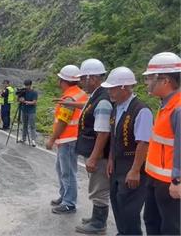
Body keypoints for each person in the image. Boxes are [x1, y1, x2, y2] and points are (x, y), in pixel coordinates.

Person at [102, 66, 153, 235]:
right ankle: (122, 233)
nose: (109, 92)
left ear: (124, 87)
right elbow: (114, 136)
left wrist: (135, 170)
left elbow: (143, 143)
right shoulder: (117, 107)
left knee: (130, 209)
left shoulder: (141, 110)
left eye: (112, 88)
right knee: (117, 203)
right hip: (118, 165)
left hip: (132, 166)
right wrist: (110, 159)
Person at [70, 59, 112, 234]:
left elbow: (103, 133)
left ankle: (99, 223)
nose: (81, 82)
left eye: (83, 79)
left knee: (99, 187)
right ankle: (96, 217)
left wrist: (94, 157)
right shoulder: (98, 95)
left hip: (99, 154)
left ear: (92, 78)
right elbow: (88, 107)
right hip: (95, 151)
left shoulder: (102, 100)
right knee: (96, 185)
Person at [142, 52, 181, 235]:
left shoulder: (178, 108)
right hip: (155, 178)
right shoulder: (166, 104)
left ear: (165, 80)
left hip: (169, 182)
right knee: (151, 220)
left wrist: (178, 181)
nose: (147, 83)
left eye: (150, 78)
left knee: (170, 227)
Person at [46, 64, 88, 214]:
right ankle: (64, 195)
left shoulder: (70, 98)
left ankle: (69, 202)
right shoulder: (79, 93)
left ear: (63, 80)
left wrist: (51, 139)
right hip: (70, 139)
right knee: (61, 168)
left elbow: (63, 122)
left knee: (67, 171)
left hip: (68, 140)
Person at [18, 79, 38, 147]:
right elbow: (18, 99)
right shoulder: (23, 91)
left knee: (32, 126)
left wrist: (25, 101)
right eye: (25, 85)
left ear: (30, 85)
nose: (26, 87)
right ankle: (23, 138)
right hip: (24, 110)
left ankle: (33, 140)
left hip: (31, 111)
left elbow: (34, 102)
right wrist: (20, 99)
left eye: (28, 85)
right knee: (24, 125)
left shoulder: (34, 92)